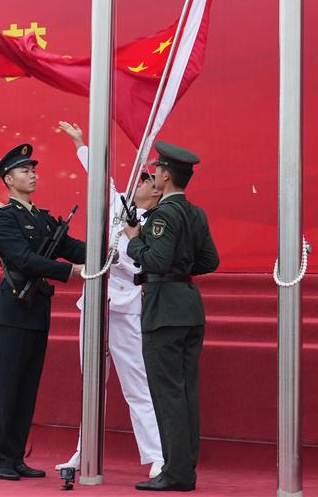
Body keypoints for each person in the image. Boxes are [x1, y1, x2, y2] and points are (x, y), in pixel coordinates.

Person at [54, 121, 164, 479]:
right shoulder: (119, 203)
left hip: (126, 305)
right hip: (95, 303)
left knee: (136, 382)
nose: (140, 182)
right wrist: (80, 144)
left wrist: (120, 255)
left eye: (147, 180)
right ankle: (84, 451)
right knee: (91, 381)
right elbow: (103, 180)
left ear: (155, 192)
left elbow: (143, 261)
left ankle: (157, 455)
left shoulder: (154, 223)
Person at [0, 142, 87, 481]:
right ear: (8, 179)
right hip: (14, 308)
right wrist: (68, 271)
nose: (32, 175)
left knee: (27, 387)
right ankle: (0, 458)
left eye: (33, 170)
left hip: (37, 308)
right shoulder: (5, 218)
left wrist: (110, 246)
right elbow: (22, 259)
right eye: (24, 170)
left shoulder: (42, 219)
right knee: (7, 386)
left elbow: (72, 247)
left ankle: (16, 456)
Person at [124, 141, 220, 492]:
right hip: (188, 305)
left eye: (156, 172)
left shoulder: (163, 214)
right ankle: (183, 467)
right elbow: (209, 260)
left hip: (164, 308)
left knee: (167, 394)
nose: (154, 177)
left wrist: (134, 240)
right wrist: (182, 269)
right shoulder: (195, 212)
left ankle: (176, 471)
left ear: (165, 176)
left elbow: (155, 260)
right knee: (185, 391)